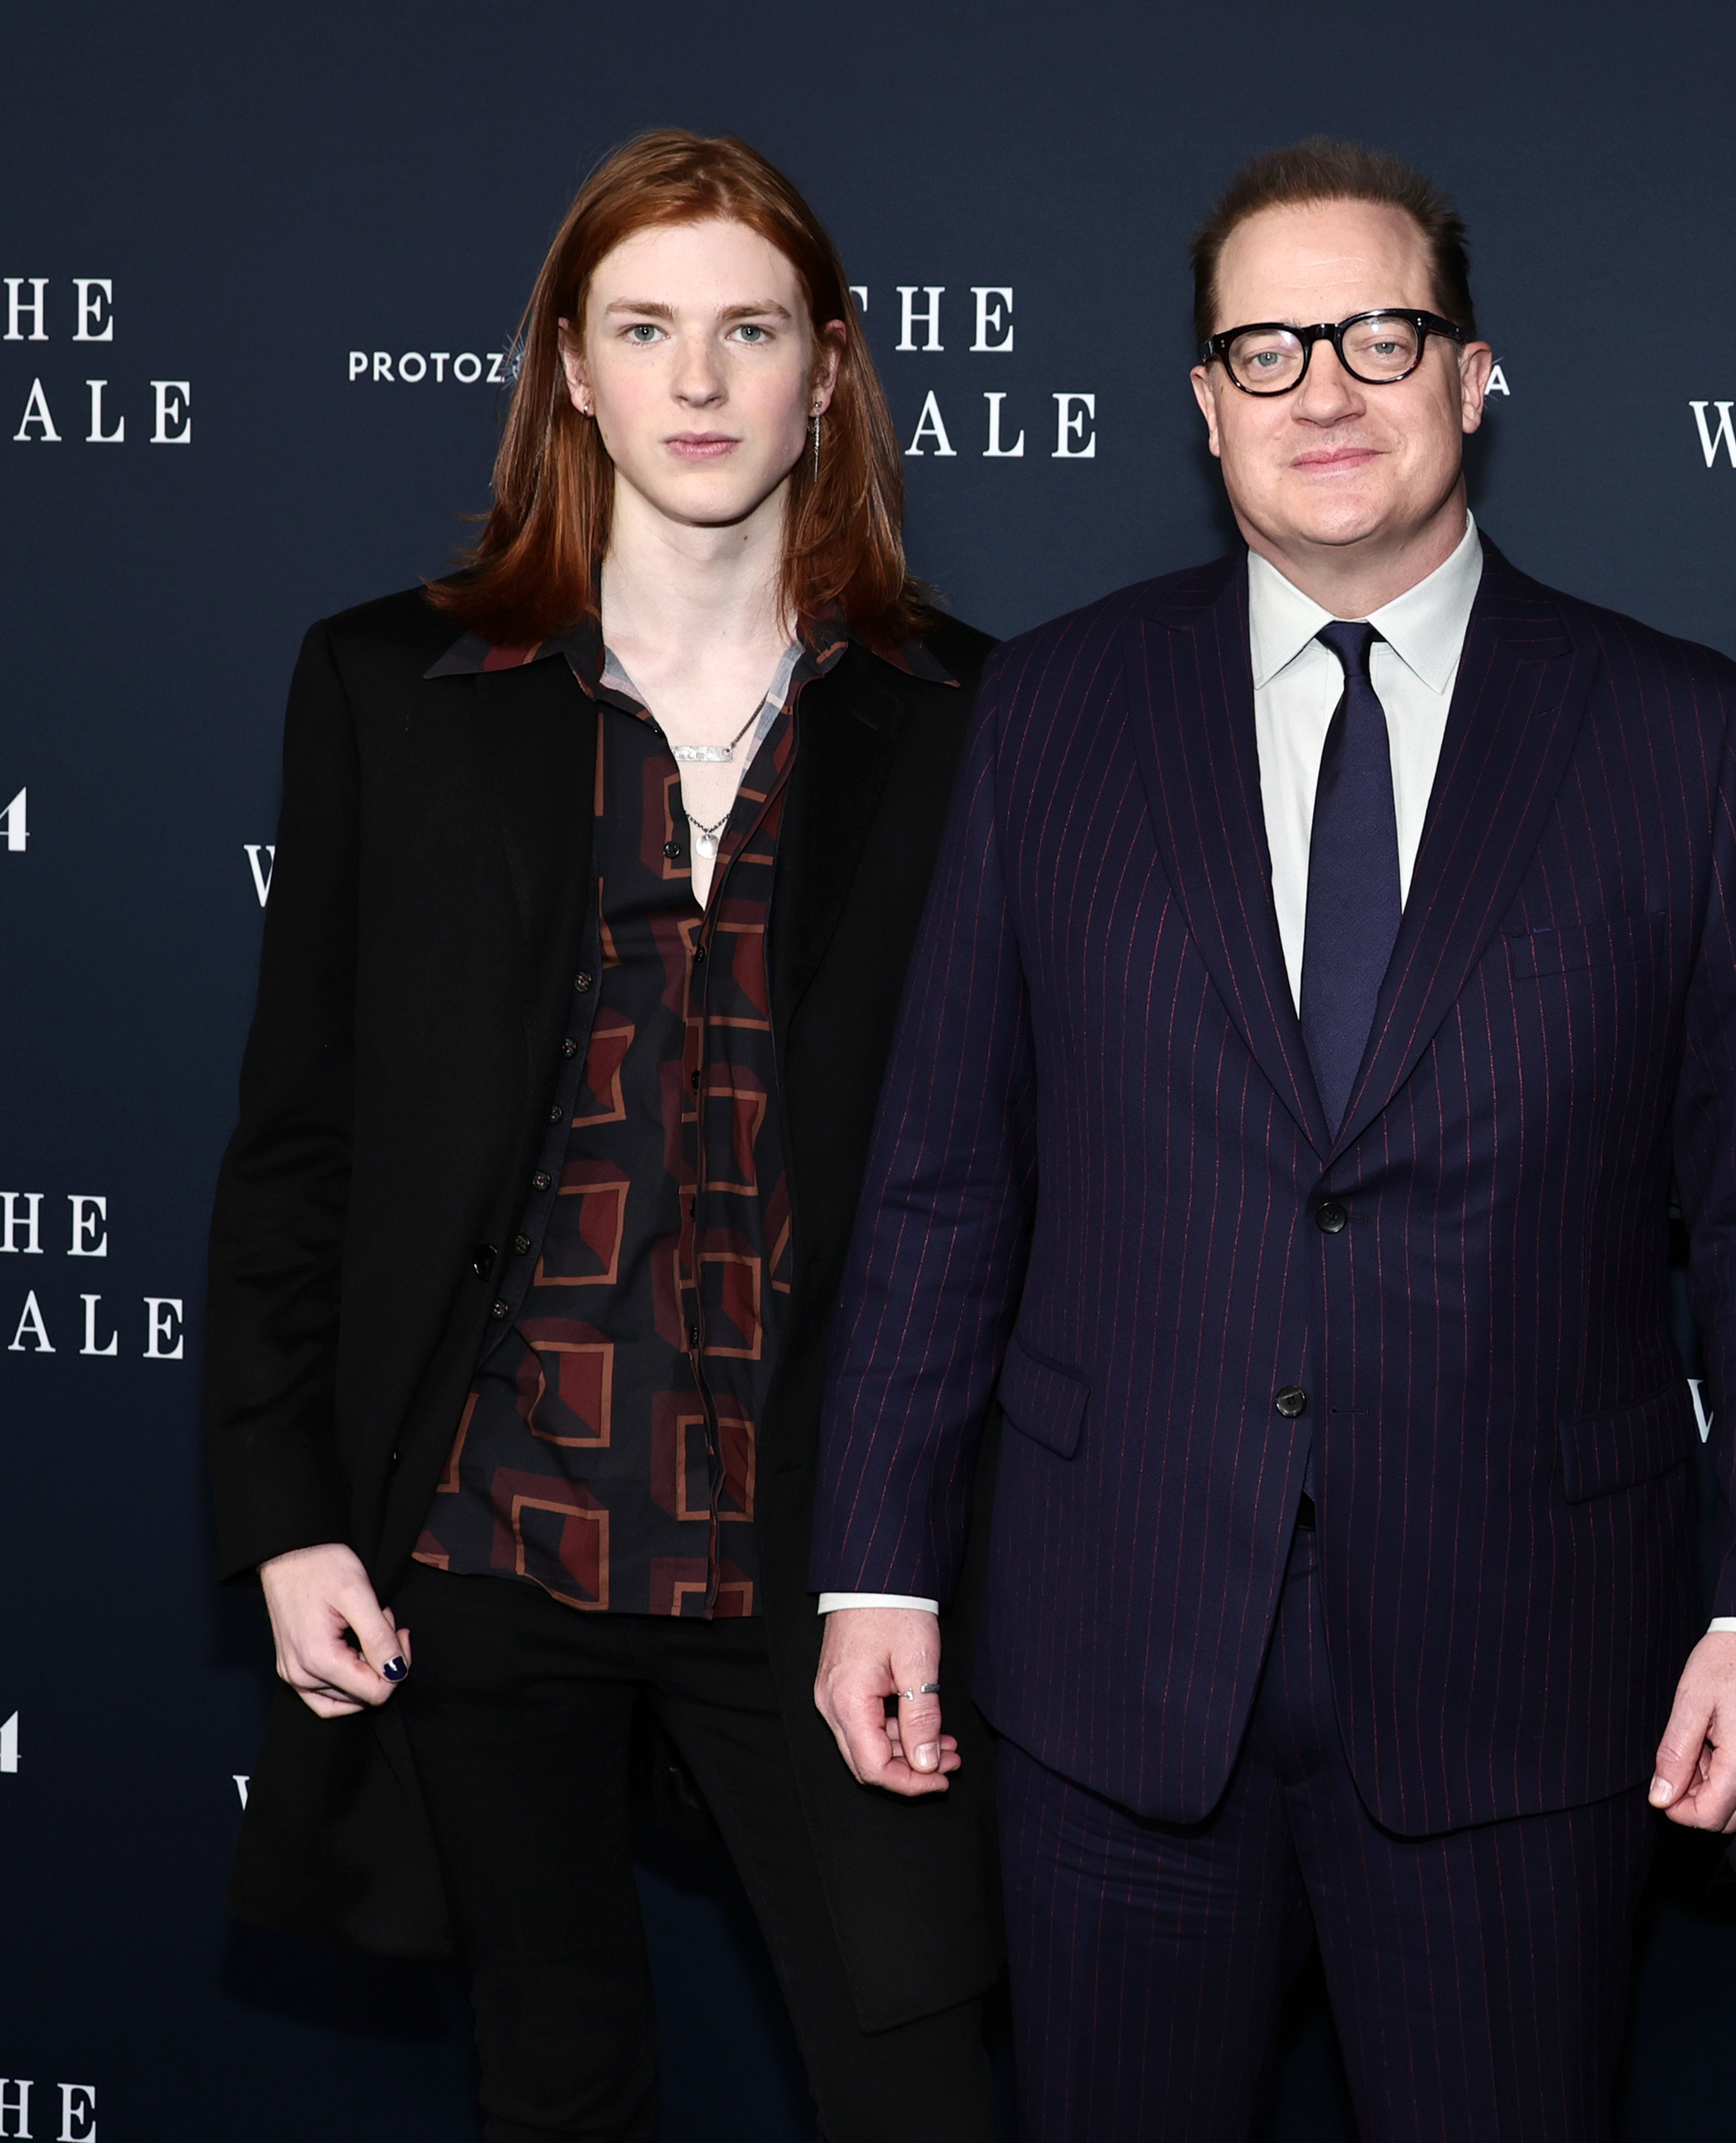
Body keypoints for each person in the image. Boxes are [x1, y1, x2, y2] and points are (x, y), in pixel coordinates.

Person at [809, 137, 1736, 2142]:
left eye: (1382, 334)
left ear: (1475, 375)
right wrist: (876, 1562)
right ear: (1203, 407)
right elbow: (948, 1169)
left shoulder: (1675, 729)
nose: (1326, 390)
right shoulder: (1051, 713)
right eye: (1267, 348)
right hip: (1115, 1658)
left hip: (1529, 1671)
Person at [205, 129, 999, 2143]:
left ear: (830, 370)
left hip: (826, 1558)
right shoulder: (398, 684)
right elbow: (300, 1137)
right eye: (648, 331)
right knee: (558, 2089)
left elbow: (1012, 1171)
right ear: (571, 367)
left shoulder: (971, 714)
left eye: (750, 332)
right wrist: (290, 1514)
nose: (704, 383)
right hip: (490, 1538)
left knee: (922, 2084)